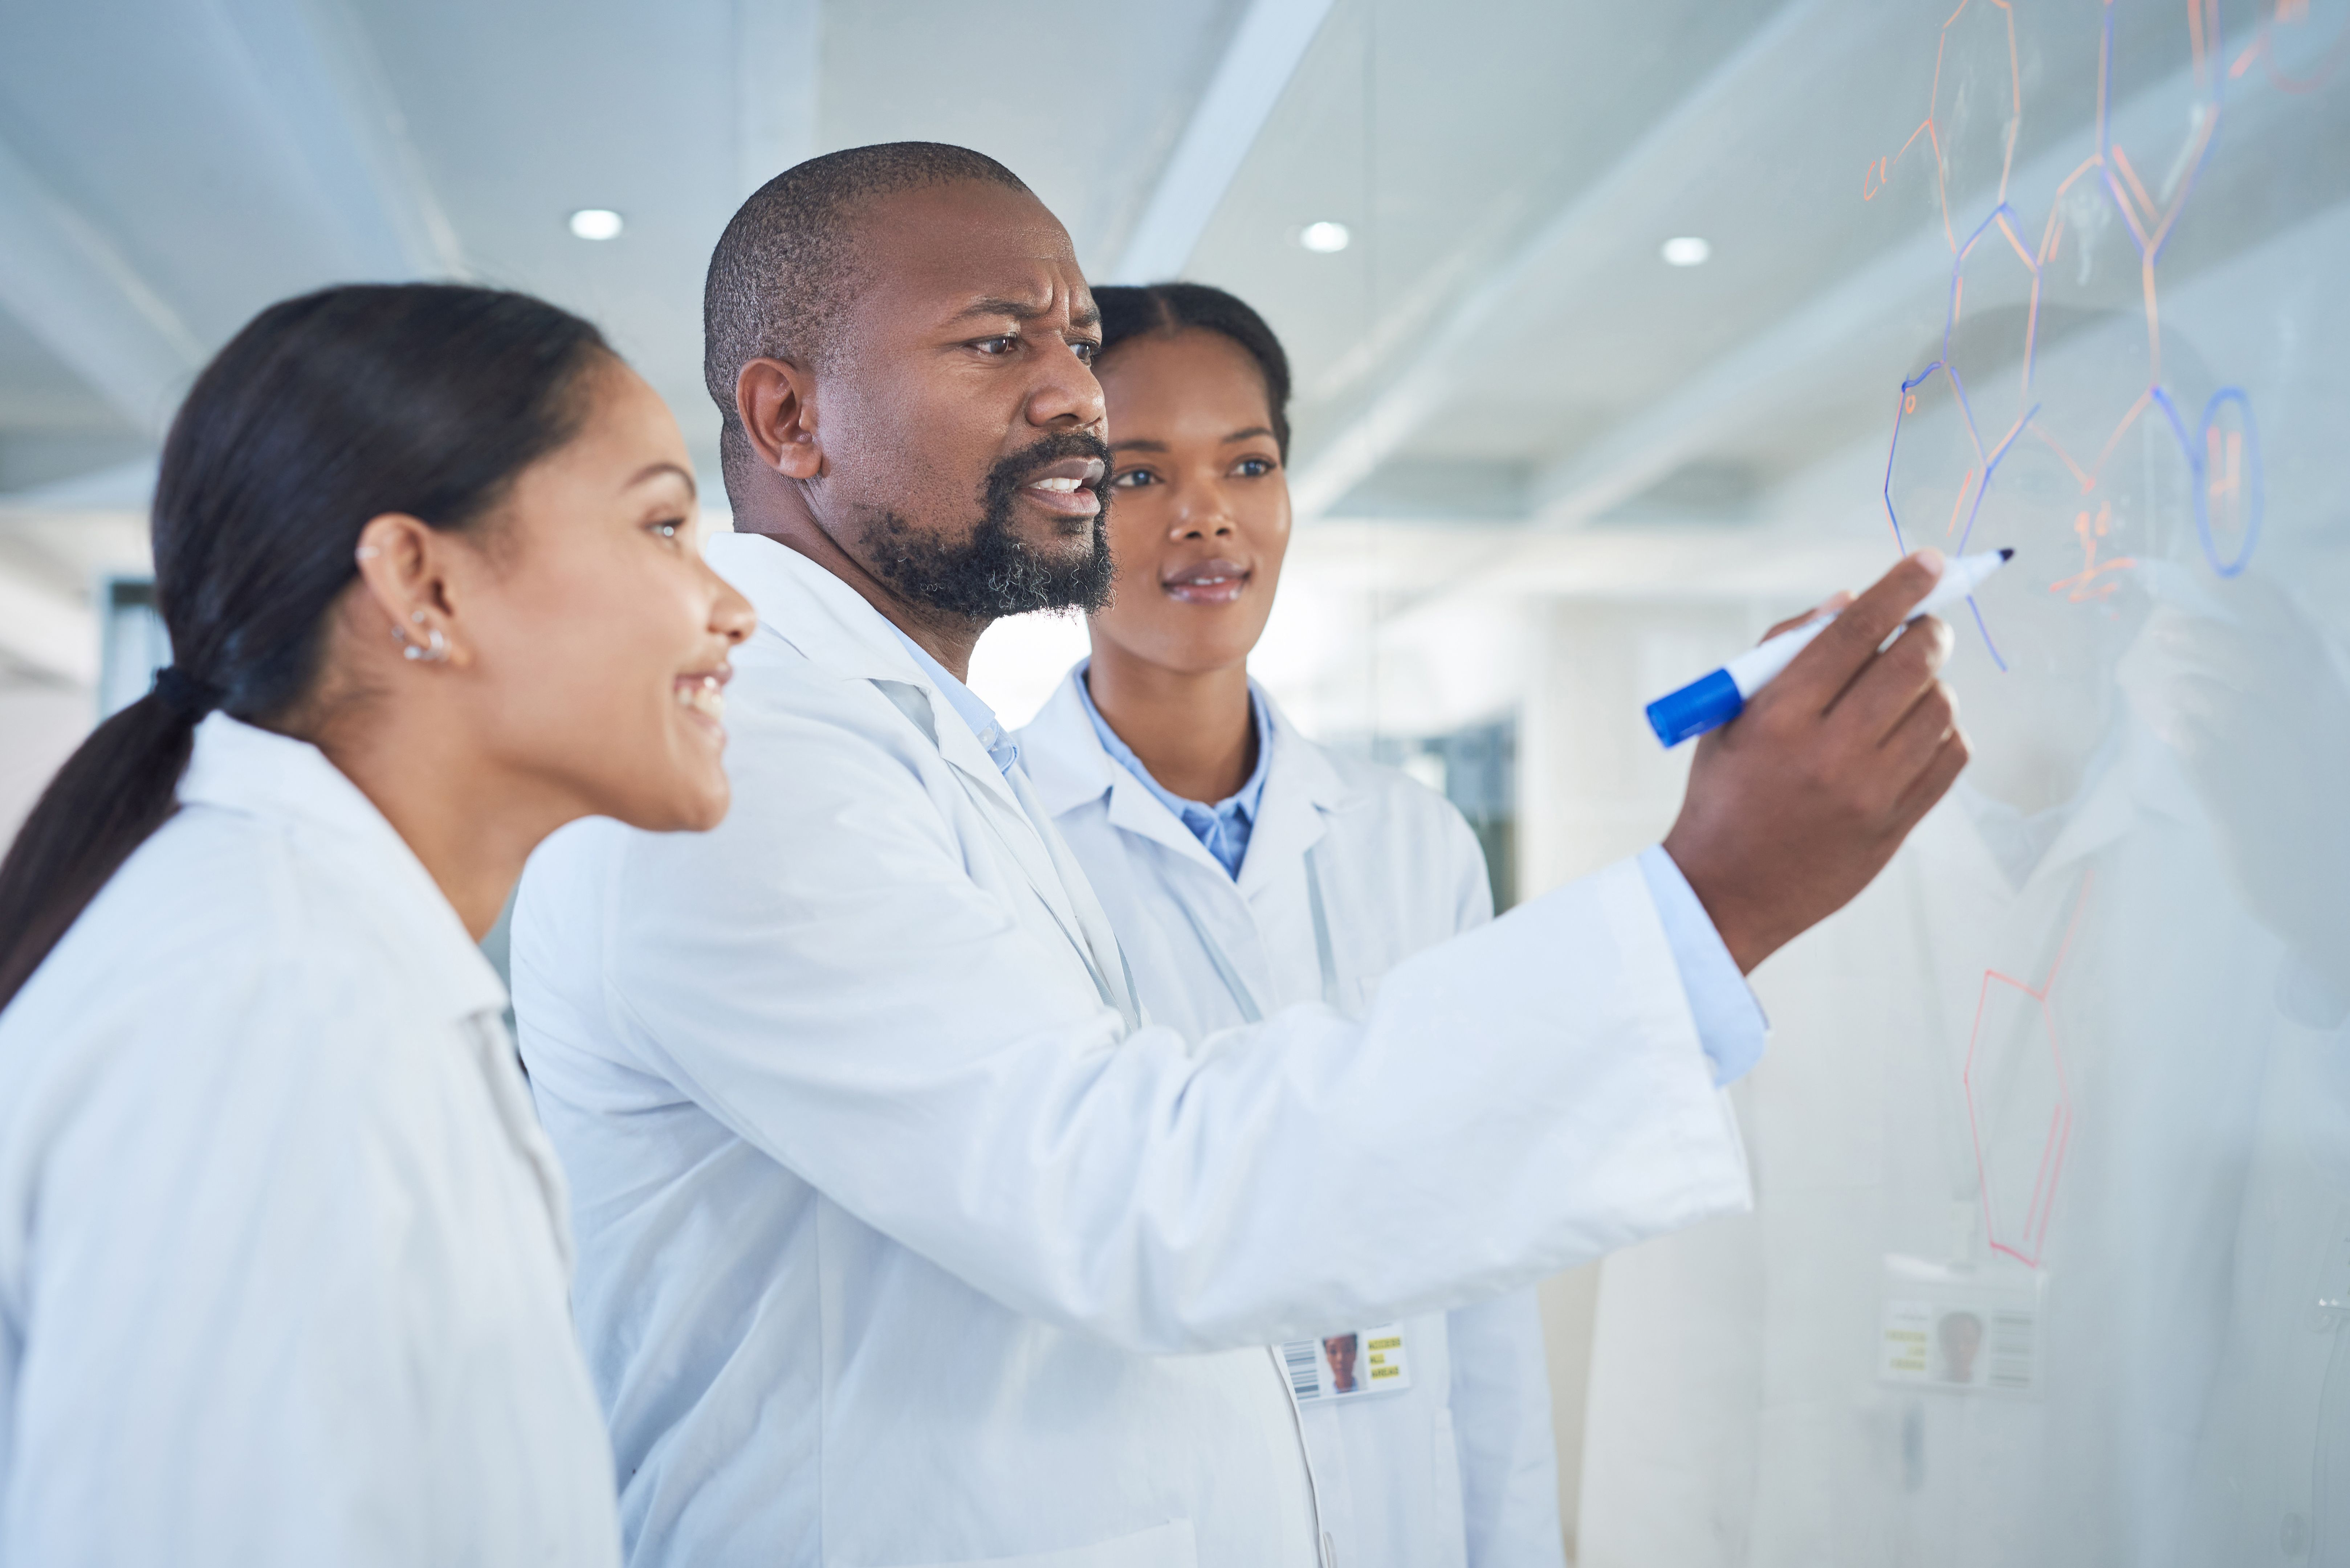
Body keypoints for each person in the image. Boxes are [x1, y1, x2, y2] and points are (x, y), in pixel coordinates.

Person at [512, 141, 1969, 1567]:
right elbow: (1125, 1195)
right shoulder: (735, 756)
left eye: (1076, 343)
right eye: (996, 342)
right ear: (788, 418)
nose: (1073, 396)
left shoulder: (915, 744)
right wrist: (1709, 902)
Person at [0, 283, 754, 1564]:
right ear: (423, 582)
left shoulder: (322, 966)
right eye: (665, 527)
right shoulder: (275, 1006)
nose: (732, 610)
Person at [1012, 280, 1565, 1566]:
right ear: (1064, 502)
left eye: (1247, 464)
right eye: (1139, 475)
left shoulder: (1413, 841)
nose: (1206, 514)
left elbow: (1483, 1257)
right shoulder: (999, 836)